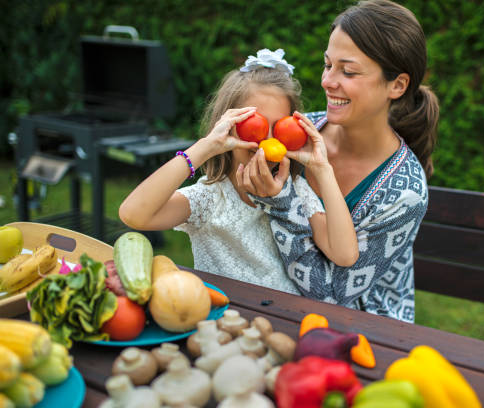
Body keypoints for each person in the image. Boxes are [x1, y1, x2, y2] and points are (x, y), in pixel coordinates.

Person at [237, 0, 439, 322]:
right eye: (327, 64)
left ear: (397, 85)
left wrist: (280, 202)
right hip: (272, 306)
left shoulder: (406, 194)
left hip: (370, 330)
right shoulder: (298, 131)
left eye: (348, 71)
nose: (328, 81)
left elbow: (330, 295)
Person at [118, 49, 358, 295]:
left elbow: (345, 255)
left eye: (281, 129)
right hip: (225, 321)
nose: (266, 141)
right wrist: (204, 147)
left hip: (285, 321)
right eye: (254, 125)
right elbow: (134, 214)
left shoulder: (294, 190)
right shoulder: (210, 198)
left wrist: (322, 169)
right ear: (228, 128)